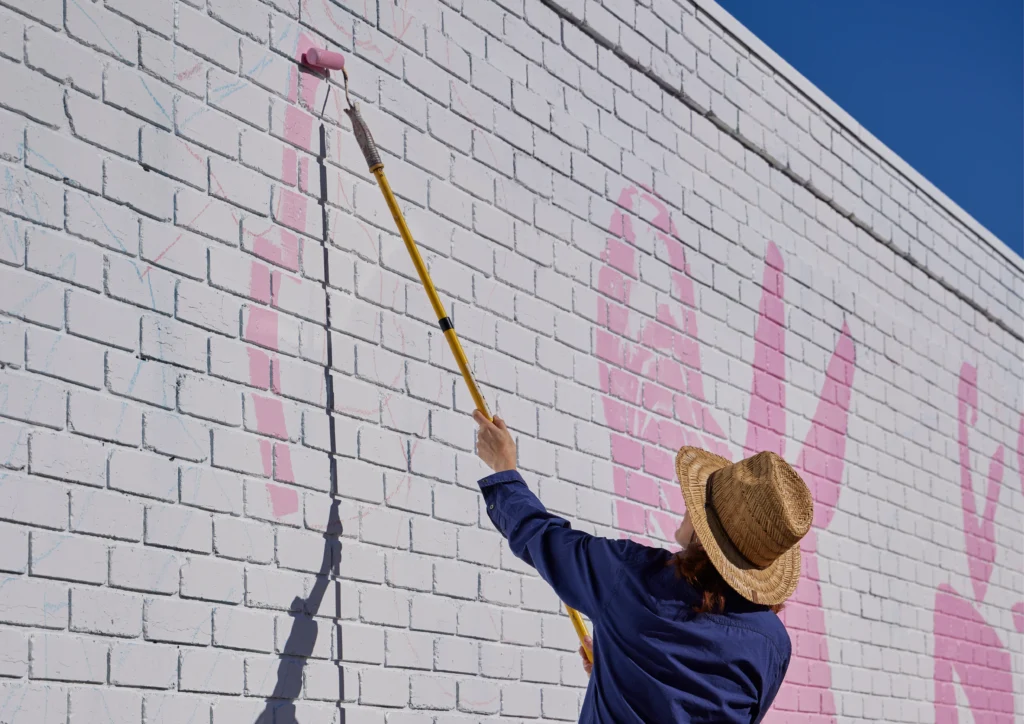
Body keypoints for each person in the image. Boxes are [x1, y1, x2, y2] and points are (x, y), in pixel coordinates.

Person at [473, 410, 813, 723]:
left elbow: (539, 535)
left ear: (704, 529)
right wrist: (619, 670)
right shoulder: (773, 646)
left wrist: (504, 469)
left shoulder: (629, 576)